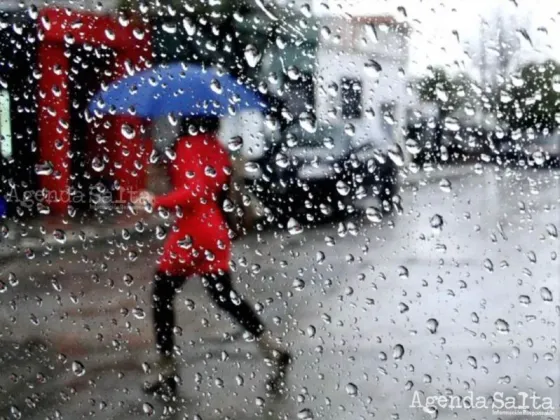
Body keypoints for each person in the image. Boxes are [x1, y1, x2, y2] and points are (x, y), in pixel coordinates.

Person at [134, 116, 290, 398]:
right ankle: (273, 347)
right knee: (224, 295)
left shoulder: (186, 145)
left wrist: (155, 201)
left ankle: (168, 371)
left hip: (190, 233)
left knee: (162, 295)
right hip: (216, 230)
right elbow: (213, 188)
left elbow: (193, 192)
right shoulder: (216, 148)